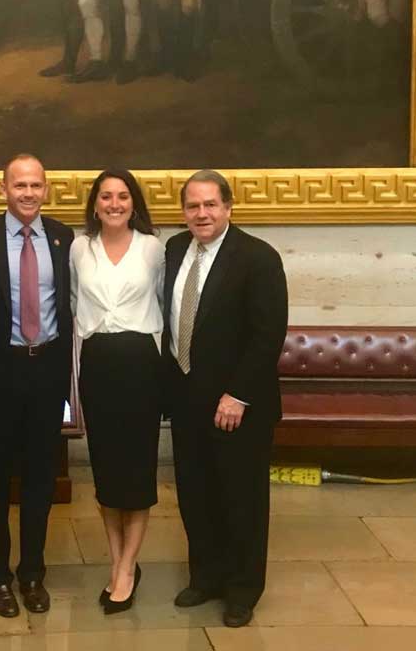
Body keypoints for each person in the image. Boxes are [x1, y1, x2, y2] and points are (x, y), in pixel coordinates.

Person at [163, 170, 288, 629]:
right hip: (186, 399)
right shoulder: (175, 249)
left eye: (210, 204)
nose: (202, 214)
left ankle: (241, 590)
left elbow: (267, 335)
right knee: (195, 494)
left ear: (228, 207)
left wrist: (238, 395)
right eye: (193, 206)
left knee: (241, 499)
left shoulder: (258, 257)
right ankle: (206, 577)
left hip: (237, 404)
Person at [0, 155, 75, 617]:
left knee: (40, 477)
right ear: (3, 189)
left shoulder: (63, 237)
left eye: (36, 185)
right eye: (20, 185)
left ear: (46, 189)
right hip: (0, 371)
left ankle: (32, 572)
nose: (28, 193)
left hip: (47, 369)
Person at [71, 169, 165, 613]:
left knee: (138, 468)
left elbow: (165, 301)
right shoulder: (79, 248)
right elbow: (74, 302)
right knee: (106, 469)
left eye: (122, 196)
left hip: (141, 364)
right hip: (98, 363)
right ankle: (117, 561)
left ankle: (129, 566)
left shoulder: (153, 248)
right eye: (106, 196)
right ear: (95, 204)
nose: (114, 204)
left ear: (134, 203)